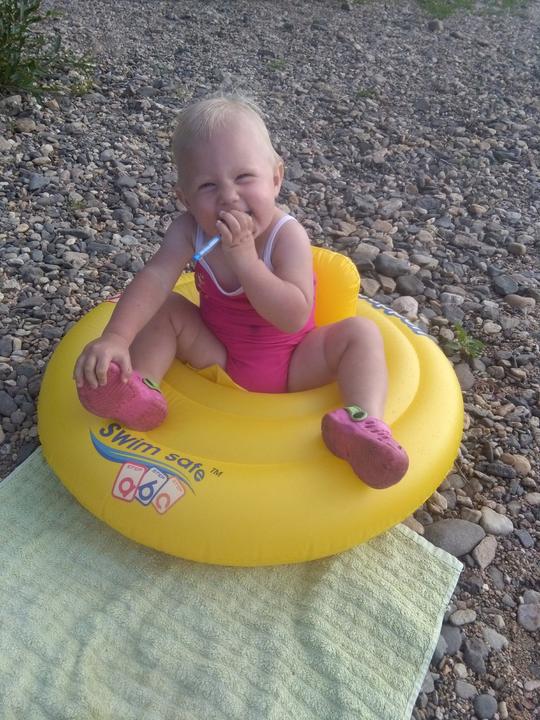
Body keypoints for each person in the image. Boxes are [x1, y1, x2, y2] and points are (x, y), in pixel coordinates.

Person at [74, 94, 408, 489]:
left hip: (294, 362)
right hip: (218, 354)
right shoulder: (189, 230)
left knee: (361, 333)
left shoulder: (286, 236)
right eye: (208, 185)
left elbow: (294, 316)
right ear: (185, 199)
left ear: (276, 178)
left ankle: (364, 424)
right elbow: (156, 276)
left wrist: (246, 261)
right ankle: (139, 391)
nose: (229, 196)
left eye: (244, 177)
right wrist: (116, 337)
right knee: (164, 305)